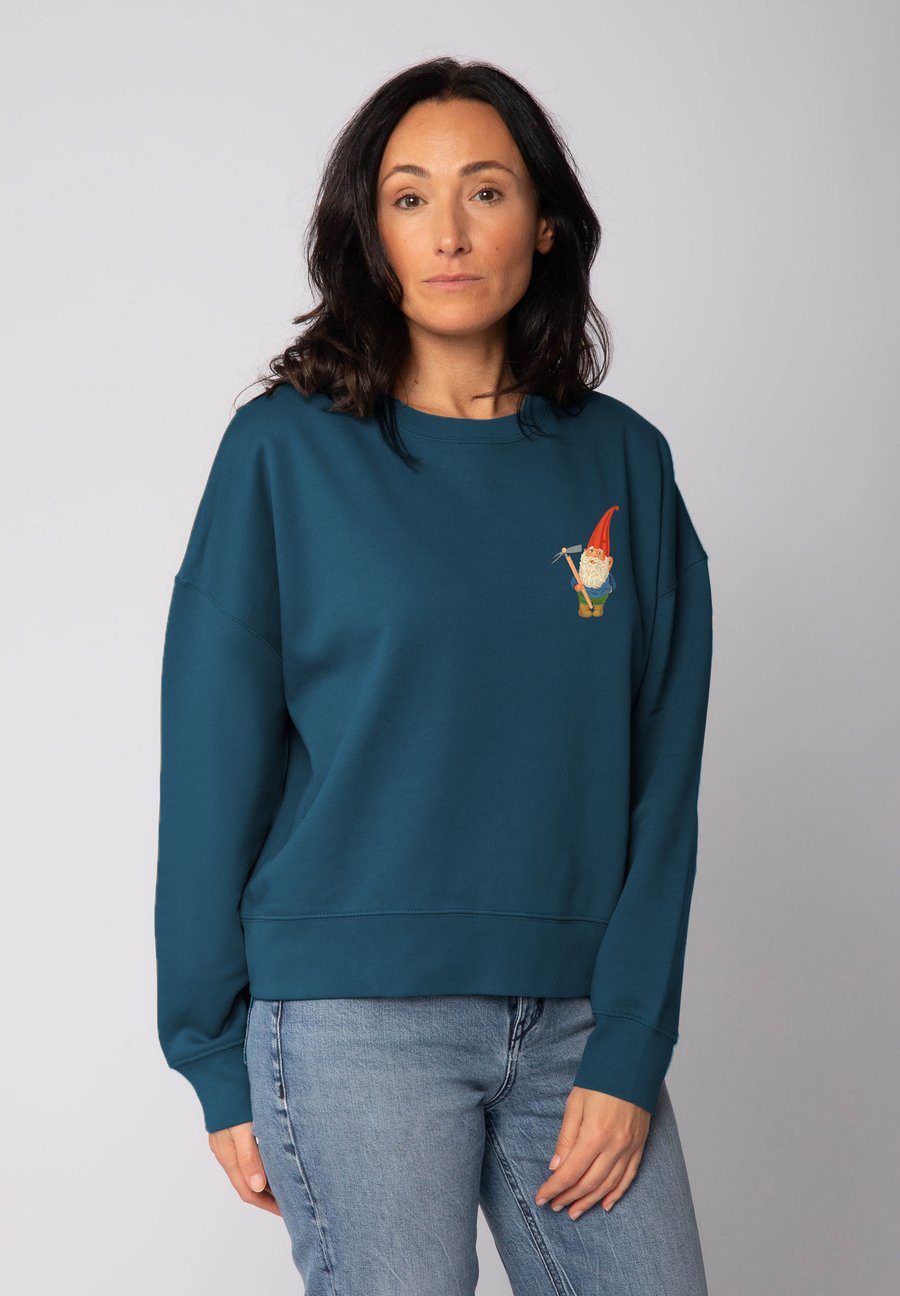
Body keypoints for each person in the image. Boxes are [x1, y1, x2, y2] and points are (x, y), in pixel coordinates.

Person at [154, 56, 714, 1295]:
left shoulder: (626, 465)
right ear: (372, 233)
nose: (449, 233)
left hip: (579, 1024)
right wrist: (211, 1052)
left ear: (545, 223)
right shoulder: (283, 453)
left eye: (486, 191)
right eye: (409, 198)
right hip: (351, 1026)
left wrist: (631, 1041)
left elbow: (661, 781)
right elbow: (211, 765)